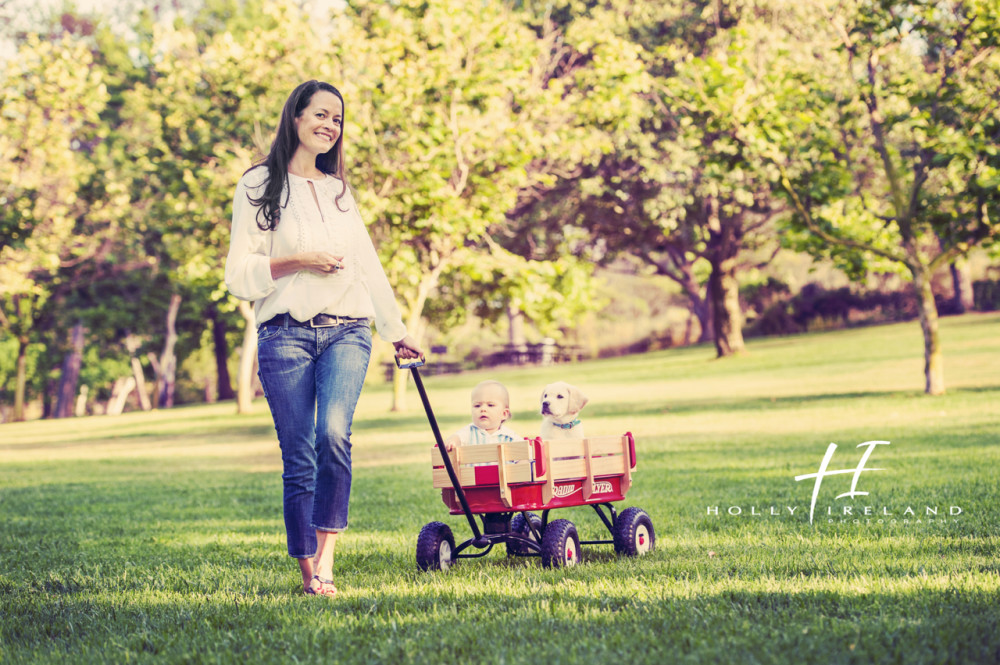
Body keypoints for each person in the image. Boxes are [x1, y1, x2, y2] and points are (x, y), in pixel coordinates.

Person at [225, 80, 422, 598]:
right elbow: (238, 275)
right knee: (298, 454)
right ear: (295, 117)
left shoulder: (339, 192)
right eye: (319, 114)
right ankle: (307, 568)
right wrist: (298, 261)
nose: (329, 126)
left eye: (336, 119)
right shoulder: (257, 185)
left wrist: (396, 331)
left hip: (347, 331)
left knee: (332, 435)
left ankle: (327, 562)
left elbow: (368, 267)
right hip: (283, 336)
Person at [443, 380, 519, 452]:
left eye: (490, 405)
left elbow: (524, 454)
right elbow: (457, 438)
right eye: (477, 405)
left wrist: (522, 462)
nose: (483, 409)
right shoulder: (469, 432)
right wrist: (452, 442)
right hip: (475, 466)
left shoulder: (510, 437)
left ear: (504, 414)